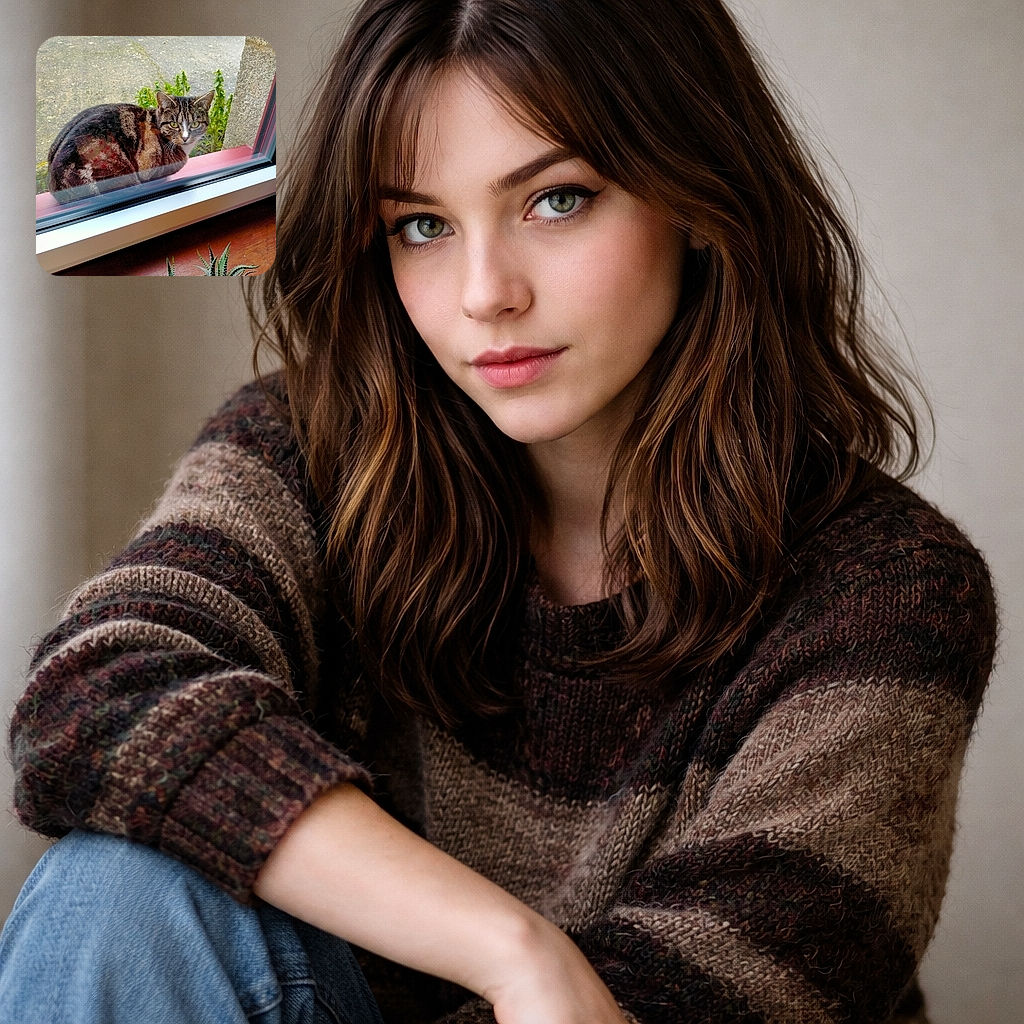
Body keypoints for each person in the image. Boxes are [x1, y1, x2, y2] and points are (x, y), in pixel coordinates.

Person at [0, 1, 997, 1022]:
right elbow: (94, 696)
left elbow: (702, 998)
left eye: (557, 200)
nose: (485, 294)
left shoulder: (886, 588)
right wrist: (512, 951)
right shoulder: (306, 451)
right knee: (114, 893)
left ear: (699, 199)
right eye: (421, 226)